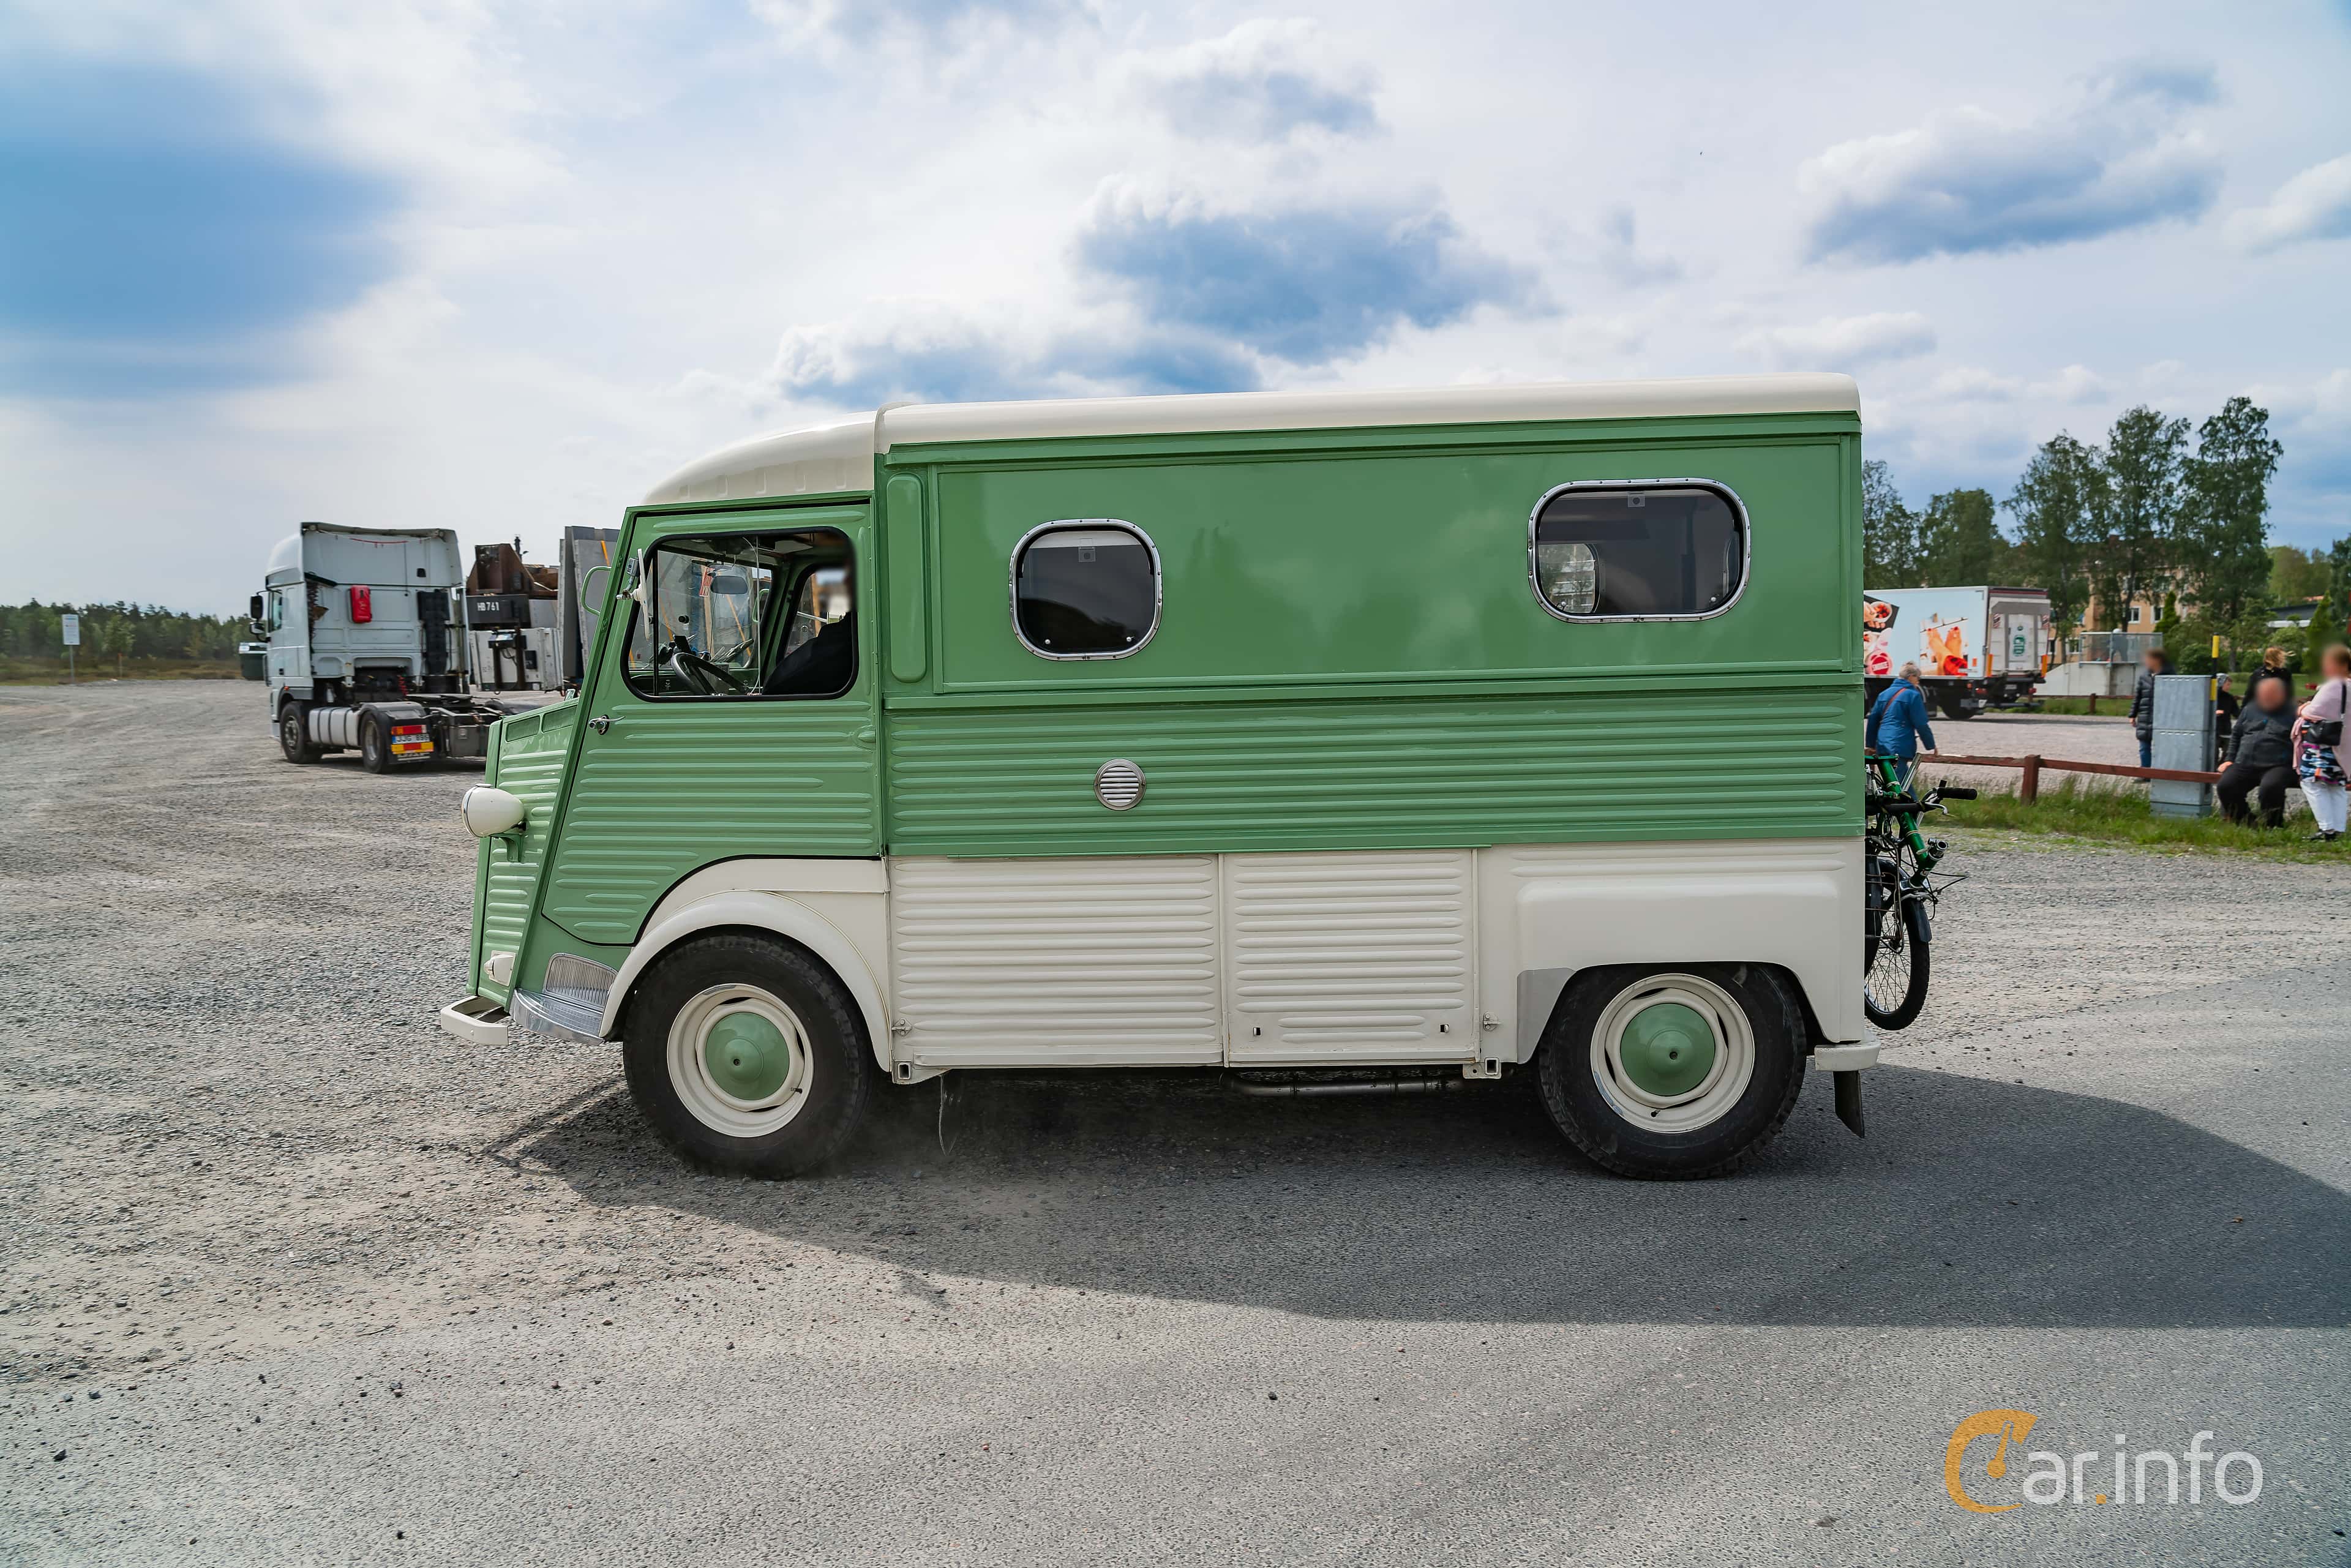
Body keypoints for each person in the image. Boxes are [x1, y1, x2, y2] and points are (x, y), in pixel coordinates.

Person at [762, 563, 857, 696]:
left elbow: (785, 681)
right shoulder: (852, 630)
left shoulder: (846, 635)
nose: (841, 583)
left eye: (847, 578)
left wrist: (769, 692)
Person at [2218, 673, 2299, 828]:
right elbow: (2237, 734)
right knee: (2226, 786)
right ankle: (2247, 822)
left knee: (2270, 788)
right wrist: (2229, 759)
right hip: (2245, 762)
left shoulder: (2293, 712)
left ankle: (2273, 826)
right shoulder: (2250, 709)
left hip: (2278, 764)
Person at [2294, 643, 2350, 842]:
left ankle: (2326, 829)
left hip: (2325, 746)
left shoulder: (2334, 685)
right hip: (2345, 747)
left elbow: (2312, 712)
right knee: (2337, 786)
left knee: (2312, 782)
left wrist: (2302, 709)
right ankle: (2338, 828)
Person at [1865, 662, 1938, 786]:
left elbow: (1873, 720)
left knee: (1901, 785)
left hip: (1882, 744)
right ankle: (1906, 805)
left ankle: (1911, 804)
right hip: (1900, 744)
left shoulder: (1884, 694)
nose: (1918, 681)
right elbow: (1921, 724)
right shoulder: (1913, 696)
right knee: (1898, 788)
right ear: (1911, 677)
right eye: (1918, 678)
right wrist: (1931, 745)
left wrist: (1870, 744)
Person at [2128, 646, 2171, 770]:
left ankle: (2160, 771)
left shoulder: (2169, 675)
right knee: (2144, 747)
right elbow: (2138, 697)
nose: (2146, 661)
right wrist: (2132, 714)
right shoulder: (2144, 677)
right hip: (2145, 716)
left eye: (2148, 659)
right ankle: (2145, 772)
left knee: (2161, 747)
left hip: (2162, 718)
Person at [2212, 671, 2240, 735]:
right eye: (2228, 685)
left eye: (2230, 685)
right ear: (2220, 683)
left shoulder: (2230, 698)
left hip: (2225, 730)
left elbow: (2237, 713)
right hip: (2214, 731)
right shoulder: (2211, 697)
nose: (2229, 687)